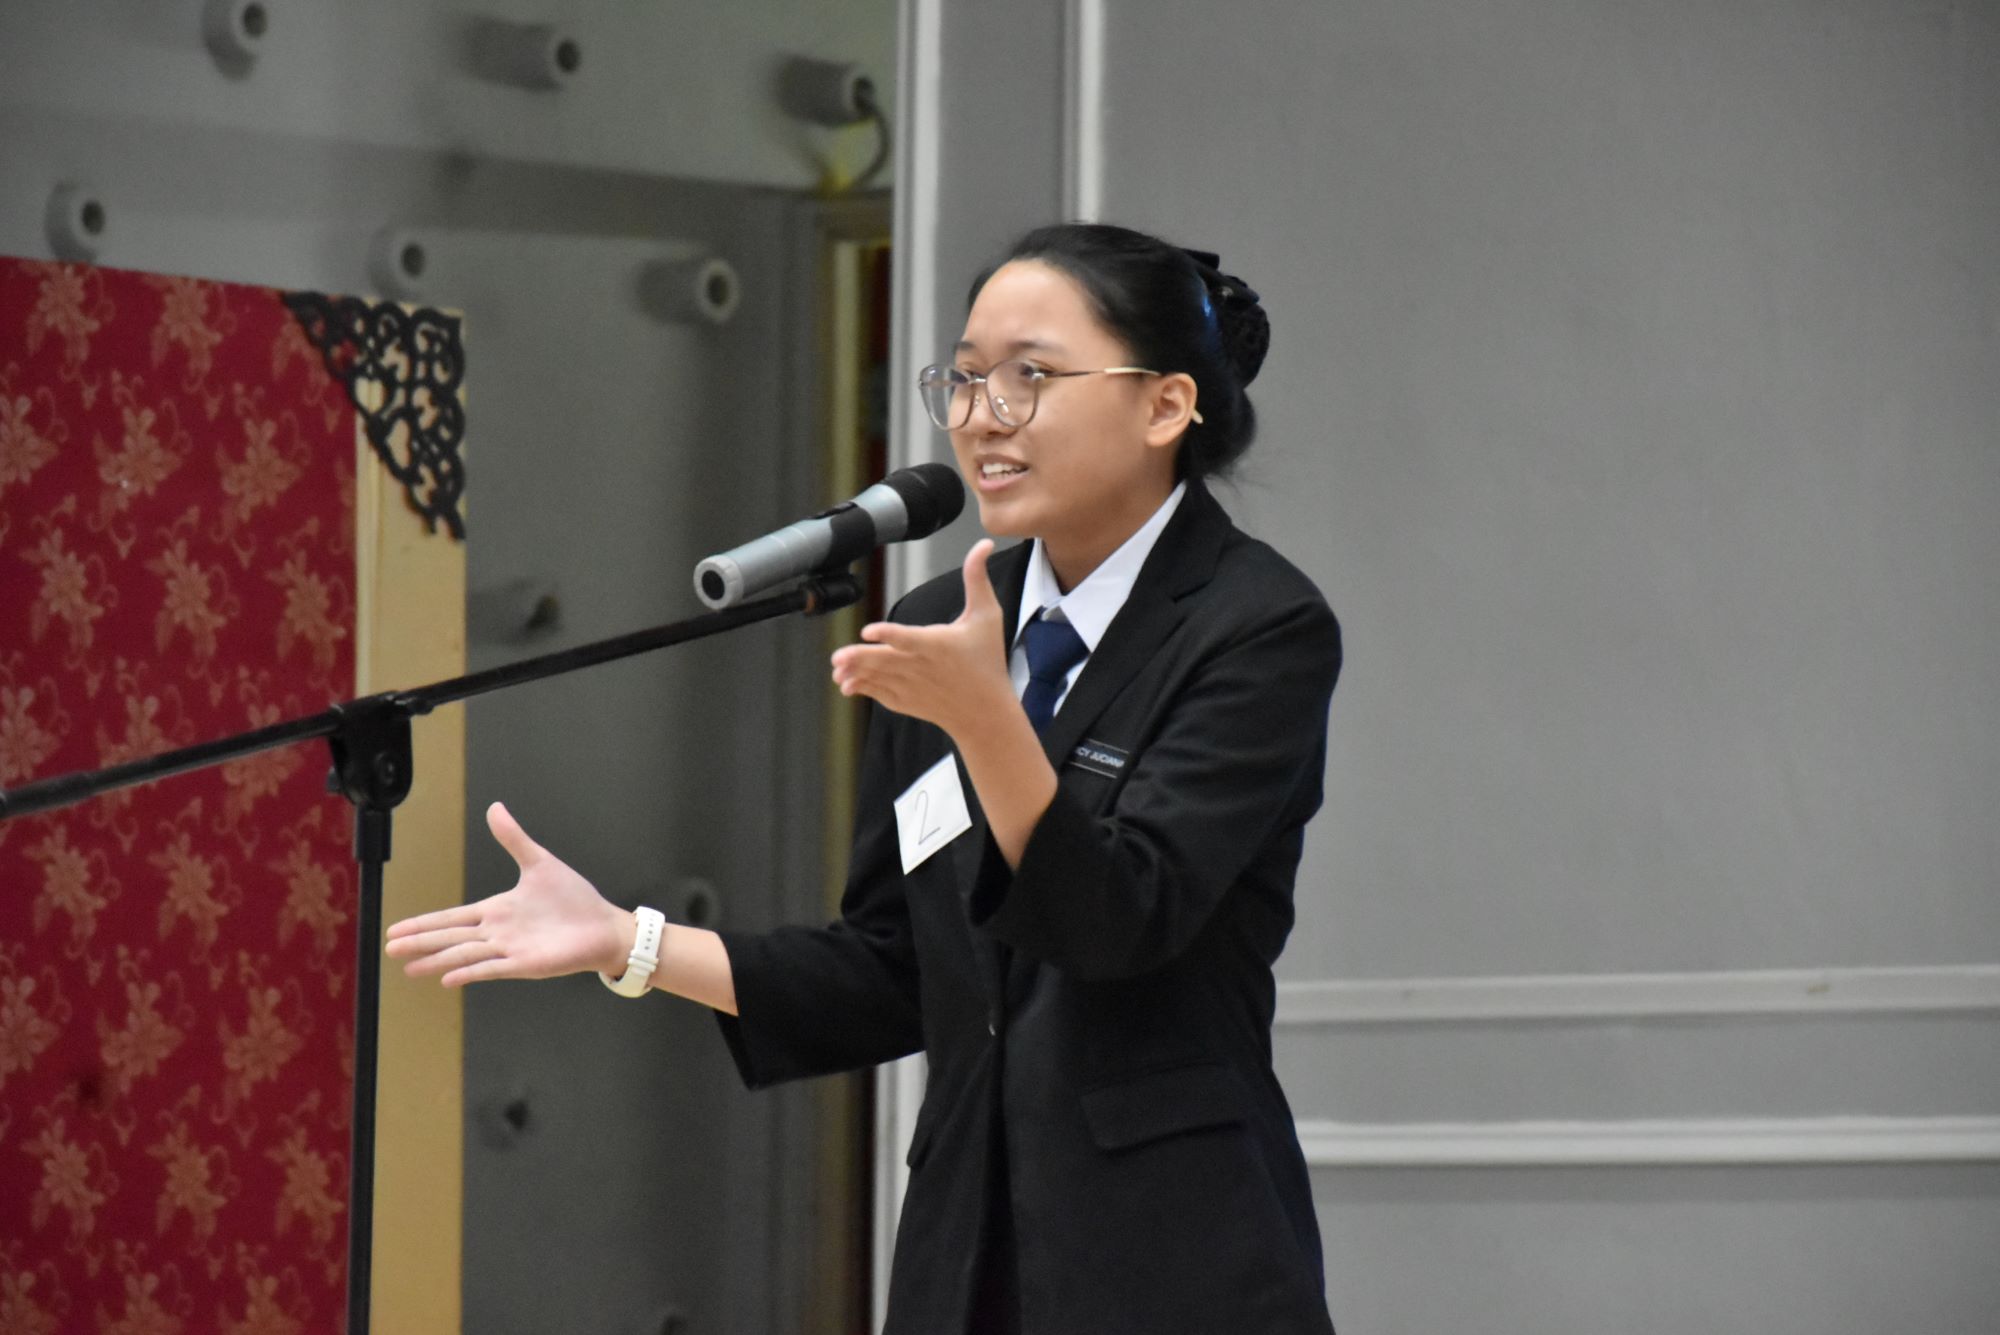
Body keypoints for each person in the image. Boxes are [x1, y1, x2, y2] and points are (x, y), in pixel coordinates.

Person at [386, 222, 1343, 1335]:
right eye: (966, 377)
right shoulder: (941, 624)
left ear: (1164, 406)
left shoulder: (1255, 625)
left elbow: (1120, 916)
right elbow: (892, 968)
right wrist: (625, 941)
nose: (980, 416)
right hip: (965, 1251)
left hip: (1176, 1257)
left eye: (1030, 377)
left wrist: (985, 719)